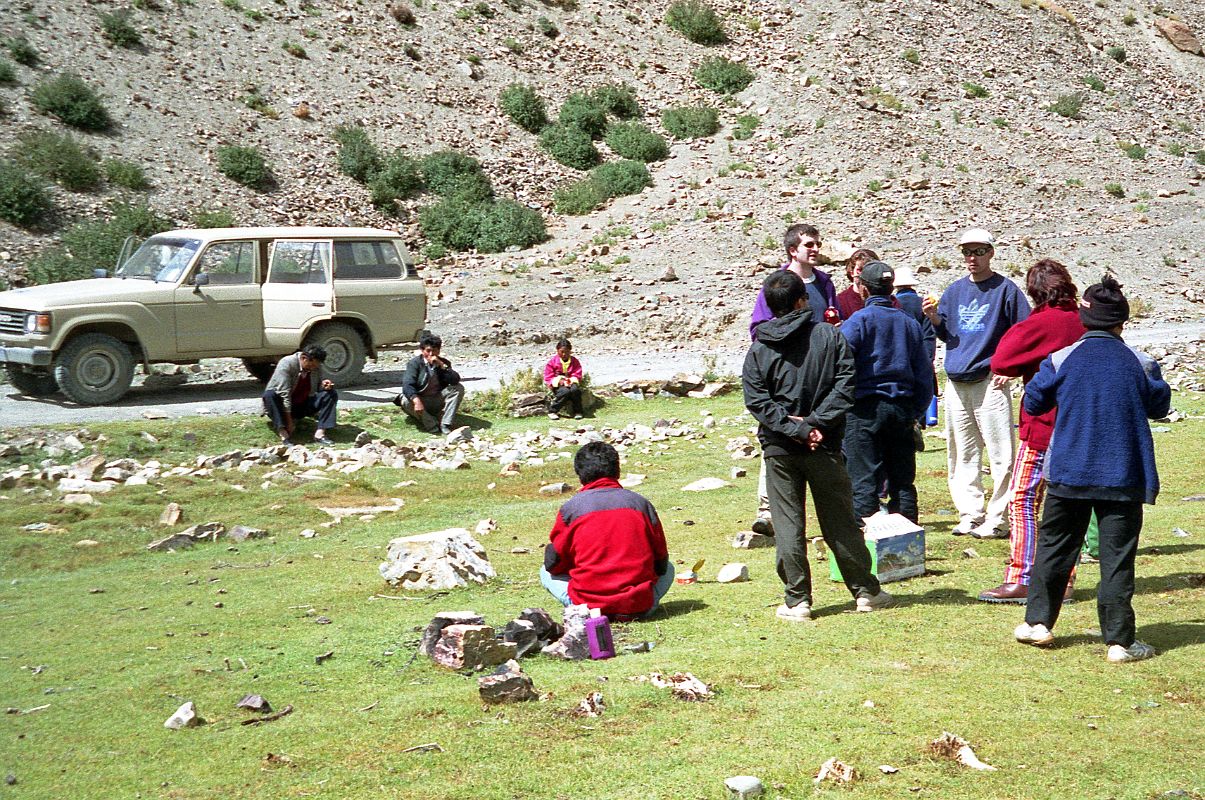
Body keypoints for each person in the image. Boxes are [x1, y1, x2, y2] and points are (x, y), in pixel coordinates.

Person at [1014, 274, 1170, 663]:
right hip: (1123, 474)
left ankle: (1038, 623)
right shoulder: (1141, 362)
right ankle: (1119, 642)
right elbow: (1159, 406)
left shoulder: (1060, 359)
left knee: (1053, 549)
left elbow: (1033, 403)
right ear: (1122, 322)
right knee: (1116, 558)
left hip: (1068, 470)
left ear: (1084, 320)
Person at [743, 270, 892, 621]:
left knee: (788, 524)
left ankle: (798, 601)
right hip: (823, 444)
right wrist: (815, 425)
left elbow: (758, 401)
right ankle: (866, 592)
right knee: (840, 520)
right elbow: (845, 386)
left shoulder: (759, 350)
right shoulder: (829, 336)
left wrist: (795, 428)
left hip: (781, 449)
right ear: (802, 300)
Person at [978, 260, 1086, 603]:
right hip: (1081, 425)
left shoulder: (1040, 323)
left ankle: (1022, 575)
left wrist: (1026, 362)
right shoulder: (1085, 319)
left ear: (1035, 292)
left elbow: (1002, 360)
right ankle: (1065, 578)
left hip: (1044, 424)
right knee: (1068, 503)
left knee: (1023, 498)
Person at [923, 228, 1030, 538]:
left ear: (991, 253)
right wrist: (933, 318)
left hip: (990, 382)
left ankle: (999, 519)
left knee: (1001, 454)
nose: (972, 257)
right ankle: (970, 514)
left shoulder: (1006, 290)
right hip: (956, 381)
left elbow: (1023, 333)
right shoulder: (954, 291)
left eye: (978, 251)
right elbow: (947, 334)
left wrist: (1011, 368)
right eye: (967, 252)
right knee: (962, 452)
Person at [747, 223, 841, 536]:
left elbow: (833, 316)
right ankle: (768, 510)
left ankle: (835, 511)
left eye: (818, 244)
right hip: (783, 372)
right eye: (809, 245)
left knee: (822, 433)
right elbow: (758, 328)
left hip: (818, 370)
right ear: (793, 250)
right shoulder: (776, 284)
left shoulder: (825, 282)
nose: (815, 250)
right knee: (778, 433)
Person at [840, 262, 933, 523]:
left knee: (864, 482)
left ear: (864, 290)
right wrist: (915, 410)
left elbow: (840, 364)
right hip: (902, 408)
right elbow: (924, 375)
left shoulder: (858, 322)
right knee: (902, 481)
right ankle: (907, 551)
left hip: (864, 410)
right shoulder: (909, 323)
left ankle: (869, 550)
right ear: (891, 288)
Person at [541, 442, 673, 619]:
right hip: (639, 606)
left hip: (588, 609)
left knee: (544, 571)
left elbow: (553, 564)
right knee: (671, 568)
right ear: (617, 471)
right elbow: (661, 562)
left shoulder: (571, 509)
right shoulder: (641, 504)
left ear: (580, 476)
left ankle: (581, 608)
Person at [262, 344, 337, 446]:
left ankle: (320, 433)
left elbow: (317, 387)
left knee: (330, 393)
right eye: (311, 365)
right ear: (304, 358)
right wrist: (289, 422)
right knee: (270, 394)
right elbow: (284, 394)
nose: (313, 368)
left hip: (302, 404)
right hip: (283, 407)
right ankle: (283, 433)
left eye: (316, 366)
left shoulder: (316, 368)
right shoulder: (287, 363)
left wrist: (324, 385)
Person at [393, 331, 465, 435]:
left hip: (436, 399)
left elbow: (455, 380)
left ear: (439, 351)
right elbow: (407, 385)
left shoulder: (443, 363)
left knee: (458, 388)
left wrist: (442, 365)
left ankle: (445, 424)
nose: (431, 354)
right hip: (421, 400)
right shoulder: (415, 363)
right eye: (428, 351)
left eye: (434, 351)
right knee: (405, 399)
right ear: (422, 350)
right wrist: (417, 401)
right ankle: (431, 424)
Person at [544, 338, 584, 420]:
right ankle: (553, 411)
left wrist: (571, 380)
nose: (564, 354)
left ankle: (578, 411)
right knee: (564, 392)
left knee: (575, 390)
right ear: (557, 350)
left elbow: (577, 373)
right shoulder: (552, 362)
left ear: (570, 351)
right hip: (558, 385)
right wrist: (560, 381)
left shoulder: (574, 361)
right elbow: (548, 376)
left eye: (567, 352)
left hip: (571, 381)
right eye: (562, 351)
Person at [835, 248, 880, 321]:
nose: (865, 275)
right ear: (851, 272)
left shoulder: (888, 300)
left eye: (869, 270)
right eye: (860, 270)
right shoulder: (841, 301)